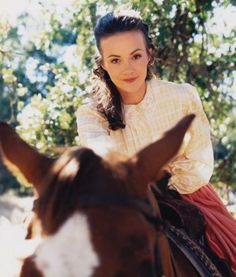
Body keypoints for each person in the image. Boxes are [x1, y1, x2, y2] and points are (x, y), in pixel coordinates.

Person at [76, 9, 236, 275]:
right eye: (115, 60)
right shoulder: (92, 113)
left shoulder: (182, 96)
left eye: (135, 56)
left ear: (149, 54)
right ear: (102, 63)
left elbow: (198, 159)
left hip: (188, 194)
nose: (127, 68)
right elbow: (100, 153)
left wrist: (165, 188)